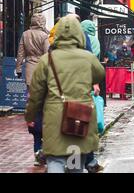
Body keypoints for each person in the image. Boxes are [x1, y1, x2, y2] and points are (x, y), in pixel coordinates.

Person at [25, 15, 105, 173]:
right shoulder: (88, 58)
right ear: (79, 34)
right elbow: (99, 75)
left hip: (55, 119)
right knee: (75, 162)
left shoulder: (46, 60)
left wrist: (30, 116)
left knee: (55, 159)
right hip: (79, 118)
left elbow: (36, 94)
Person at [16, 13, 49, 166]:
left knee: (32, 97)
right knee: (43, 98)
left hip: (29, 68)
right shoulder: (44, 35)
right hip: (42, 69)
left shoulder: (25, 34)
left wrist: (18, 68)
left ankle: (34, 119)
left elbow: (21, 52)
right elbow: (48, 54)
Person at [80, 19, 103, 173]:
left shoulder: (51, 55)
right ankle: (90, 162)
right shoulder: (90, 43)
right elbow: (99, 70)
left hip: (58, 103)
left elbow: (38, 88)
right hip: (82, 96)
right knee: (85, 129)